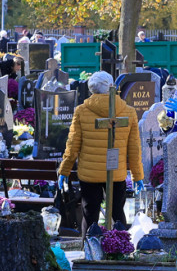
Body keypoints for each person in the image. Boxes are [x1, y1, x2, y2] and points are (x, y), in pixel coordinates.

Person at [57, 72, 143, 230]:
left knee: (90, 215)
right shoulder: (128, 112)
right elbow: (134, 148)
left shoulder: (82, 110)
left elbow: (73, 145)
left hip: (90, 174)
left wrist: (65, 170)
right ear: (112, 87)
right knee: (118, 214)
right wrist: (137, 176)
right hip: (116, 171)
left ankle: (90, 249)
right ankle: (120, 248)